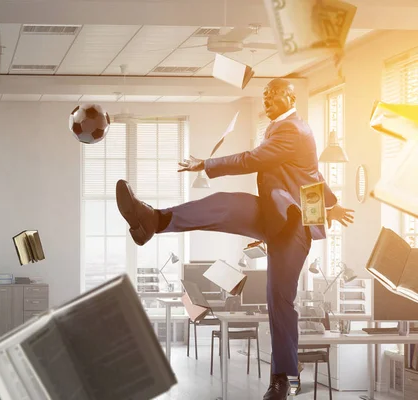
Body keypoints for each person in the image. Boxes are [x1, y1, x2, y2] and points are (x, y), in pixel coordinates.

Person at [115, 78, 354, 400]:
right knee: (224, 204)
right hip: (275, 212)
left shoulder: (292, 130)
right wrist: (333, 204)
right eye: (264, 95)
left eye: (273, 95)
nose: (267, 100)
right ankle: (153, 221)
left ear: (290, 96)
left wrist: (206, 164)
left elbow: (254, 159)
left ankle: (282, 379)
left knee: (279, 301)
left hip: (293, 224)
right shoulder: (286, 128)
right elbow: (313, 174)